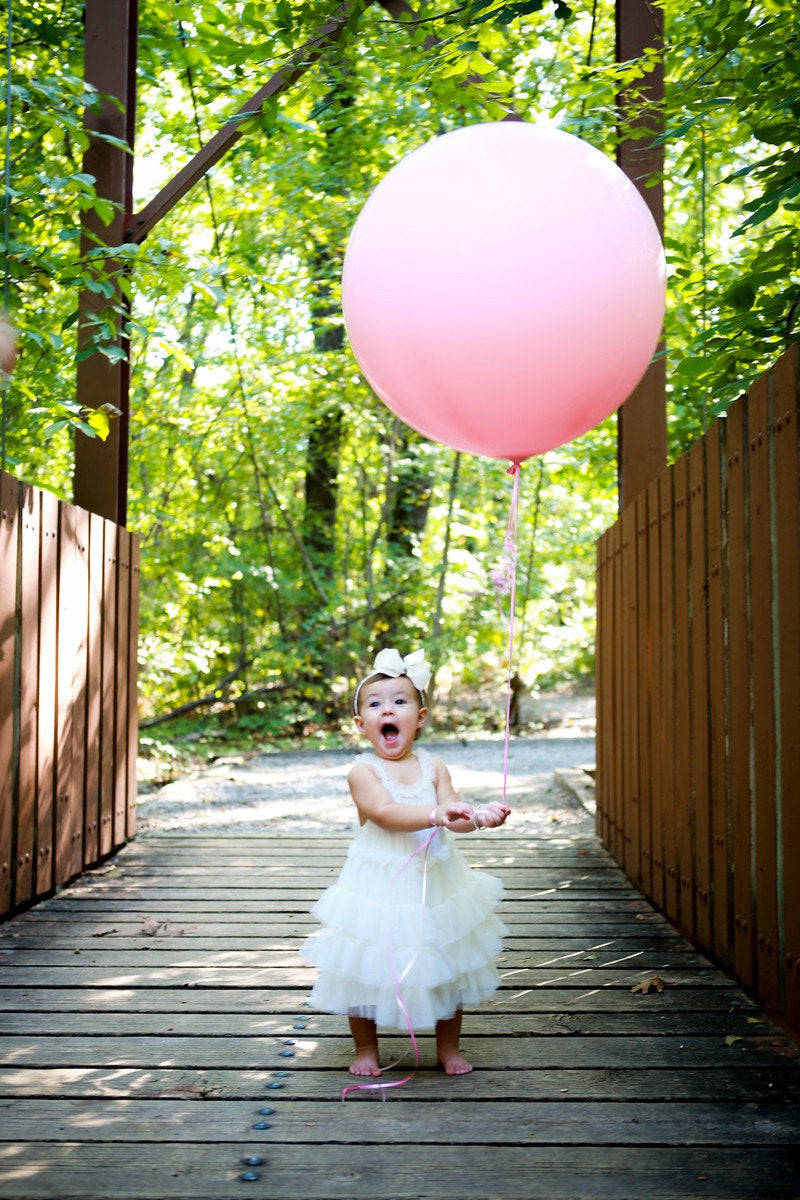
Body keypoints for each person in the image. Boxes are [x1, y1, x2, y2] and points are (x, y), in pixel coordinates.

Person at [300, 647, 510, 1078]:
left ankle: (447, 1047)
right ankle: (365, 1048)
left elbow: (451, 813)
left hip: (435, 886)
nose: (387, 709)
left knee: (445, 960)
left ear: (421, 716)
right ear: (362, 725)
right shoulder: (363, 772)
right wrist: (434, 814)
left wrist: (478, 817)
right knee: (366, 963)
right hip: (378, 887)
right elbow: (384, 814)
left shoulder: (435, 767)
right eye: (375, 705)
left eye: (399, 701)